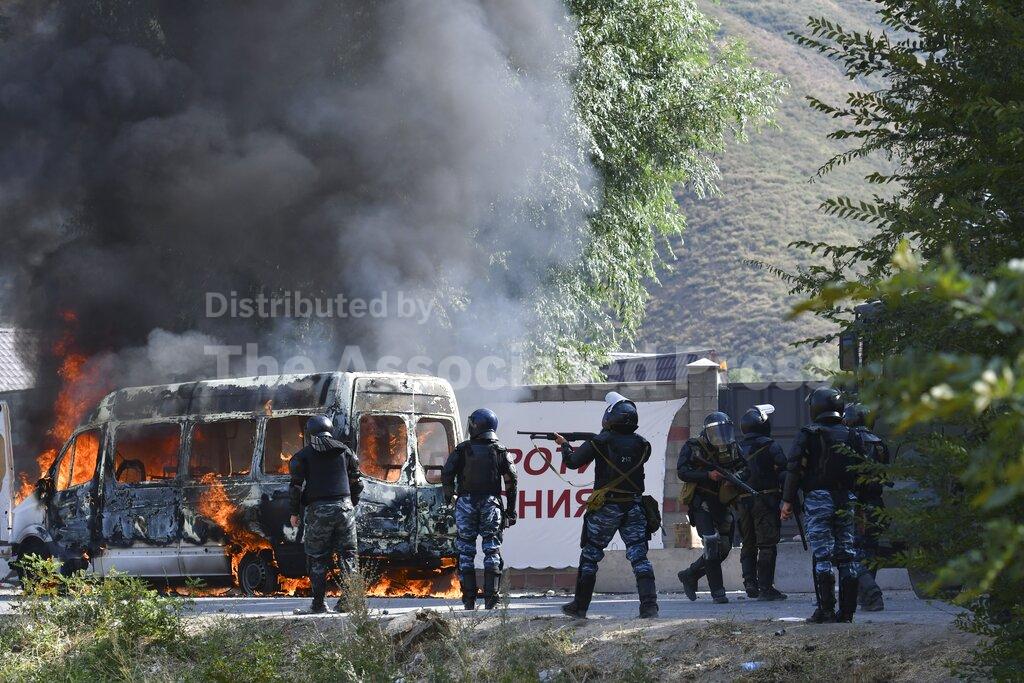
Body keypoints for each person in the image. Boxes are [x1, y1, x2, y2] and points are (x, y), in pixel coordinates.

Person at [556, 392, 657, 619]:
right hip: (634, 507)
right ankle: (649, 606)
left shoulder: (599, 442)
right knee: (640, 557)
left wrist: (564, 446)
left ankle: (580, 607)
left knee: (590, 556)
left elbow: (572, 462)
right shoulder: (643, 444)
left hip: (606, 508)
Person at [781, 386, 865, 623]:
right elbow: (862, 473)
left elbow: (794, 468)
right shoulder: (853, 435)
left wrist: (787, 501)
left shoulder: (809, 433)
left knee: (823, 556)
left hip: (818, 500)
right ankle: (847, 613)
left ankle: (825, 610)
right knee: (847, 555)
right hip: (847, 500)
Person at [441, 408, 517, 610]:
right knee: (491, 549)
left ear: (476, 426)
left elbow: (447, 474)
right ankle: (491, 599)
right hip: (491, 504)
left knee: (465, 550)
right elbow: (511, 482)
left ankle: (469, 600)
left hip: (466, 503)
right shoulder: (500, 451)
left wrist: (450, 497)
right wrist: (511, 511)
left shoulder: (462, 449)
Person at [289, 415, 364, 615]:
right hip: (345, 508)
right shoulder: (346, 451)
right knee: (348, 555)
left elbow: (296, 488)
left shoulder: (302, 456)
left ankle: (319, 604)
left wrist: (294, 512)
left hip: (318, 510)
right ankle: (348, 603)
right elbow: (357, 482)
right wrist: (350, 504)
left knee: (317, 557)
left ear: (309, 432)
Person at [676, 412, 746, 604]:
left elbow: (745, 466)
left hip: (723, 502)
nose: (720, 436)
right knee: (710, 541)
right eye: (716, 432)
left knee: (723, 548)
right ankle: (718, 592)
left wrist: (736, 478)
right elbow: (682, 471)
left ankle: (690, 574)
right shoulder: (693, 446)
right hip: (701, 502)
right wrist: (708, 475)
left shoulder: (731, 447)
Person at [736, 405, 788, 601]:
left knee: (747, 543)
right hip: (765, 500)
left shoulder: (737, 447)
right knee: (767, 544)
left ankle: (750, 583)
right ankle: (766, 588)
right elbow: (784, 470)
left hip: (742, 502)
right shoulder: (771, 445)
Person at [843, 402, 890, 612]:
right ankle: (865, 596)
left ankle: (871, 592)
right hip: (875, 502)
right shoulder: (879, 443)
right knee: (871, 549)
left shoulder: (849, 440)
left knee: (852, 551)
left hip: (856, 504)